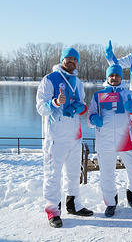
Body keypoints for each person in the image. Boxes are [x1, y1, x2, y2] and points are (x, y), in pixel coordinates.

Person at [36, 47, 93, 228]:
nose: (71, 61)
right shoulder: (49, 80)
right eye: (68, 58)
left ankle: (73, 204)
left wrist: (79, 108)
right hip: (56, 136)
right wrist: (54, 102)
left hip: (74, 136)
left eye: (74, 59)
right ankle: (53, 210)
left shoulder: (78, 82)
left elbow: (83, 105)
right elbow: (40, 108)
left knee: (74, 173)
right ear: (62, 60)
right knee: (53, 174)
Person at [88, 64, 132, 217]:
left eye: (117, 75)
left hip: (125, 139)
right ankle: (111, 203)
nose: (114, 78)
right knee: (107, 173)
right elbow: (89, 117)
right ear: (107, 77)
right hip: (104, 141)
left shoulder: (129, 94)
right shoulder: (98, 95)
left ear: (121, 77)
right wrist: (94, 119)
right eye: (111, 75)